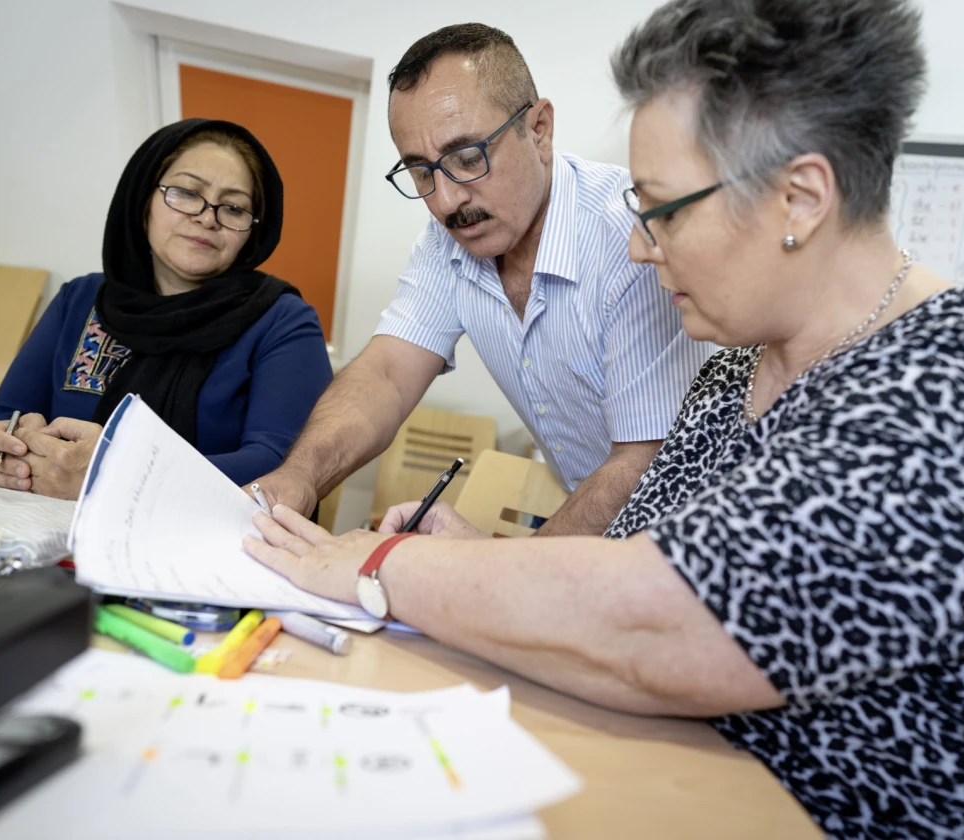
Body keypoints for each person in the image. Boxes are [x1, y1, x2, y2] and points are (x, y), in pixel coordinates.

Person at [242, 1, 964, 836]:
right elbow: (628, 565)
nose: (636, 245)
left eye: (662, 211)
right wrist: (476, 565)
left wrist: (384, 564)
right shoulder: (734, 372)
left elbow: (658, 622)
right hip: (703, 788)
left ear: (800, 199)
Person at [252, 23, 713, 536]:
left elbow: (641, 462)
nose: (447, 202)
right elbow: (386, 375)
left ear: (539, 129)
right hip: (586, 525)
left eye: (468, 158)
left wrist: (499, 570)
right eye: (421, 172)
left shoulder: (627, 240)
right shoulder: (445, 243)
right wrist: (300, 476)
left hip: (692, 528)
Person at [0, 119, 331, 499]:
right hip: (41, 524)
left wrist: (120, 472)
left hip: (199, 534)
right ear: (143, 200)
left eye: (234, 208)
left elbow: (281, 467)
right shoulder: (80, 300)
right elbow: (2, 418)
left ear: (253, 230)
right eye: (187, 192)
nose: (207, 217)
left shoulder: (282, 322)